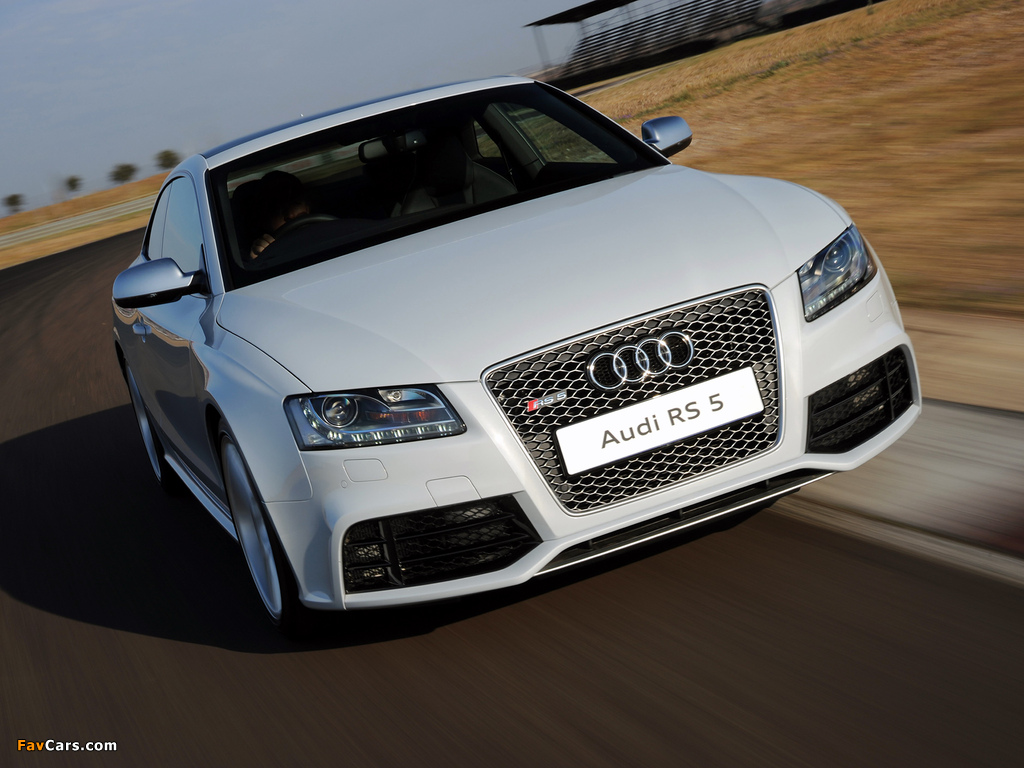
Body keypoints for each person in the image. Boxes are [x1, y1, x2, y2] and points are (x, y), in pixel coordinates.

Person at [248, 171, 310, 260]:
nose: (290, 215)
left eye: (295, 203)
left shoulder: (327, 230)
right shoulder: (265, 251)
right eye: (277, 208)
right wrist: (259, 259)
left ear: (307, 207)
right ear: (265, 220)